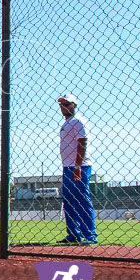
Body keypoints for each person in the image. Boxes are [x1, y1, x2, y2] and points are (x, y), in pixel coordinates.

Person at [55, 94, 97, 245]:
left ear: (74, 105)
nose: (63, 107)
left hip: (79, 166)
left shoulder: (78, 121)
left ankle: (90, 235)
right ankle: (73, 233)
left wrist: (78, 166)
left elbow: (82, 143)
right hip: (68, 166)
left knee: (82, 199)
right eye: (61, 104)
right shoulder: (68, 123)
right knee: (69, 201)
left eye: (66, 104)